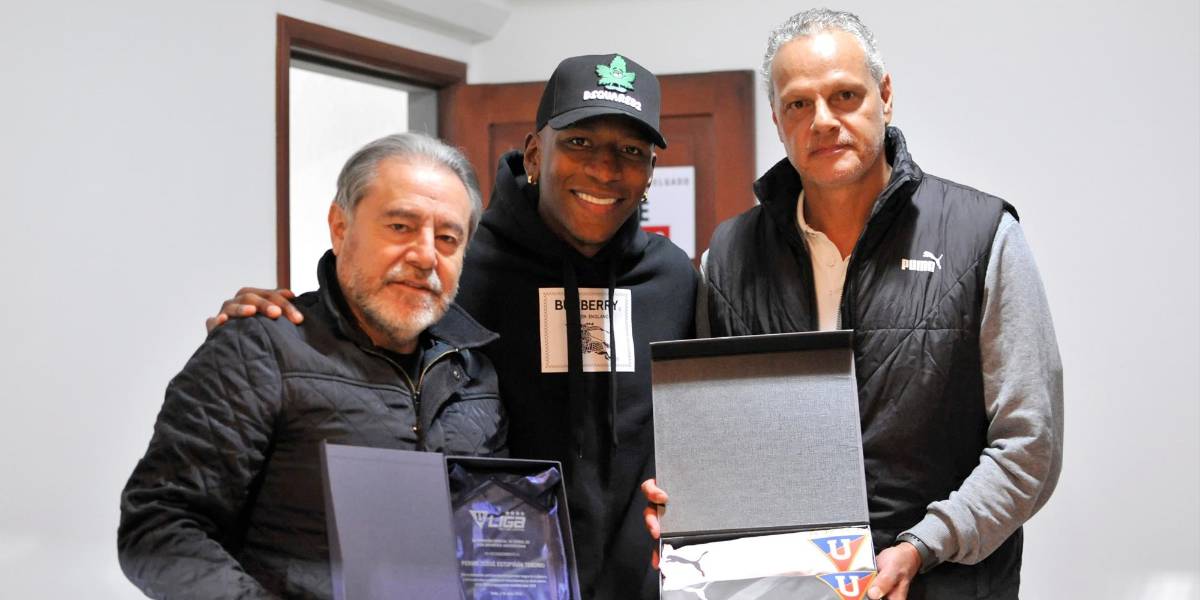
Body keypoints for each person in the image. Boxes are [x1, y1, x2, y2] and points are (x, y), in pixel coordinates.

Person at [208, 54, 697, 599]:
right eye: (579, 142)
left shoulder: (674, 279)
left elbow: (704, 419)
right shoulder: (457, 266)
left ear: (650, 171)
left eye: (631, 151)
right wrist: (276, 321)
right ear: (535, 154)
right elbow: (357, 329)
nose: (604, 170)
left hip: (644, 586)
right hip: (486, 581)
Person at [646, 9, 1063, 600]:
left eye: (844, 95)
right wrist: (685, 502)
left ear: (884, 96)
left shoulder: (982, 236)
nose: (823, 120)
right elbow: (717, 441)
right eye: (798, 104)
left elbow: (1028, 446)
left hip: (944, 583)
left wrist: (923, 545)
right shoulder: (728, 257)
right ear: (777, 119)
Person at [119, 133, 507, 599]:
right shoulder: (259, 350)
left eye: (447, 239)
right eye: (400, 227)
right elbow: (159, 526)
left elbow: (496, 542)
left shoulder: (476, 376)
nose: (425, 256)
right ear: (340, 228)